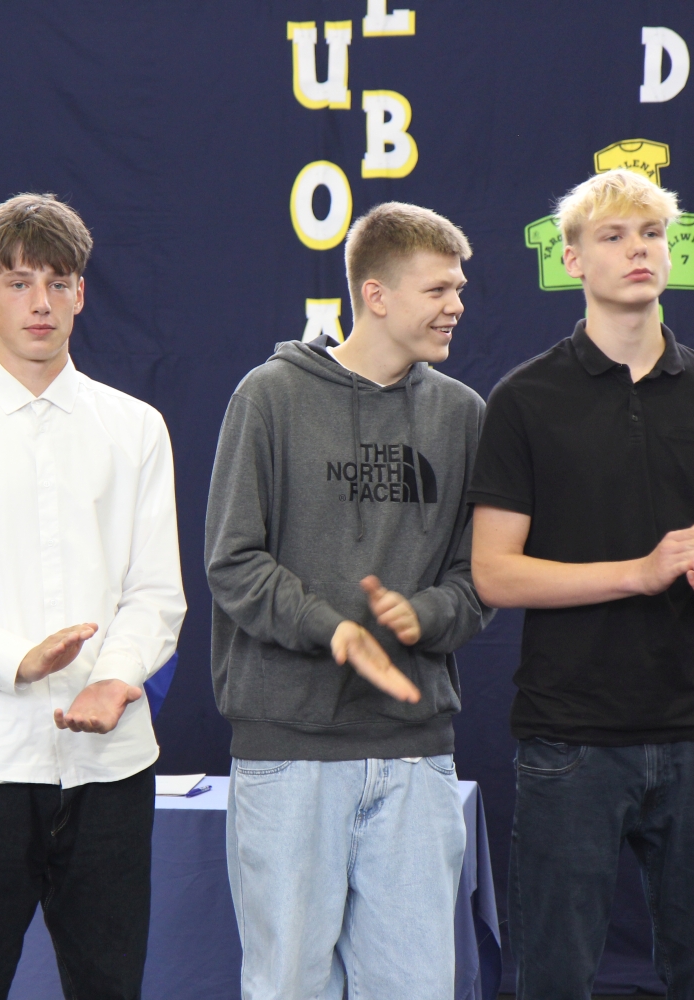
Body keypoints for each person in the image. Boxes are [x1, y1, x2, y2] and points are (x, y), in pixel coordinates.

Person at [0, 192, 186, 1000]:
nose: (39, 303)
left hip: (110, 770)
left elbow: (157, 593)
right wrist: (18, 659)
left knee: (109, 988)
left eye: (57, 283)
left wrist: (113, 678)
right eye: (18, 283)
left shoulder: (136, 428)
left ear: (82, 292)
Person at [468, 169, 694, 1000]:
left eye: (652, 234)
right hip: (569, 737)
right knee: (554, 979)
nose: (639, 250)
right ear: (572, 260)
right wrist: (640, 573)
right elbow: (494, 572)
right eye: (615, 235)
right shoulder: (524, 399)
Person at [205, 202, 493, 1000]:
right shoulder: (269, 397)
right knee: (288, 987)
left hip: (415, 757)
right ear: (376, 295)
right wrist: (333, 631)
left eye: (459, 288)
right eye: (438, 290)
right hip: (288, 755)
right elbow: (232, 562)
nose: (456, 306)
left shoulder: (464, 416)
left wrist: (424, 615)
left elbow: (479, 579)